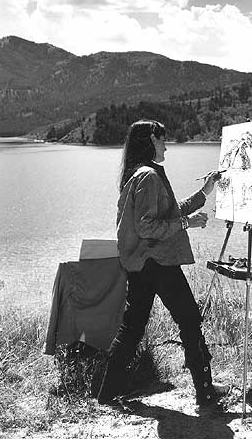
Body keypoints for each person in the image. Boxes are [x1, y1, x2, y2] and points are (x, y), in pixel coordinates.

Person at [97, 119, 228, 408]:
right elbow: (148, 226)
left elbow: (166, 212)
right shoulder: (149, 177)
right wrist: (187, 223)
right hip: (158, 263)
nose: (167, 144)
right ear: (152, 140)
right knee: (190, 321)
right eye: (163, 138)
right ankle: (205, 391)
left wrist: (204, 192)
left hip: (143, 265)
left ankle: (106, 395)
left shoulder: (142, 174)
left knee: (132, 329)